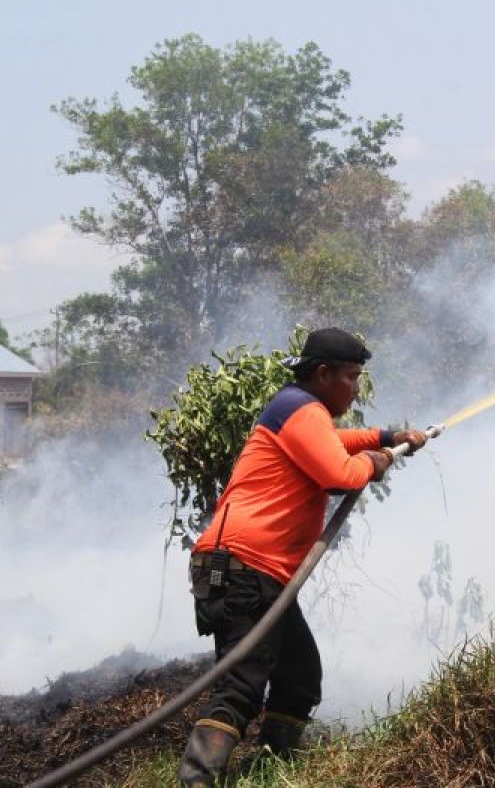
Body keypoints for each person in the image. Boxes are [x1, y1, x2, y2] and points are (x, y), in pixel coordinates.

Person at [178, 328, 428, 787]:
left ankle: (268, 771)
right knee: (241, 686)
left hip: (255, 571)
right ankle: (196, 780)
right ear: (323, 373)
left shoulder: (298, 410)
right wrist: (377, 461)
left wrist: (387, 436)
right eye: (351, 377)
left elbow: (337, 445)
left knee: (298, 676)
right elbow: (340, 473)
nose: (354, 388)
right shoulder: (301, 409)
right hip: (244, 568)